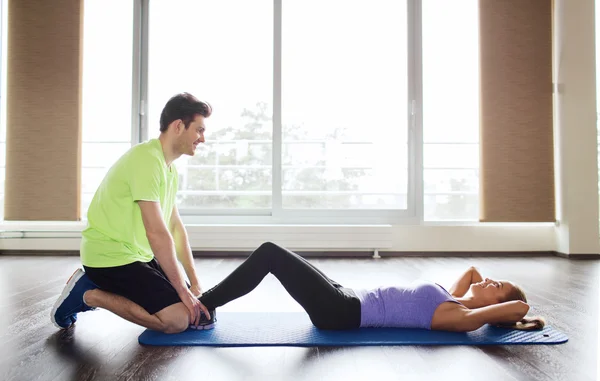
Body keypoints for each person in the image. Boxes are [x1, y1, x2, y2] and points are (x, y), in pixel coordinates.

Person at [51, 92, 214, 334]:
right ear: (179, 126)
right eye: (199, 130)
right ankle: (88, 293)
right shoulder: (146, 160)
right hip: (109, 256)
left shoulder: (168, 170)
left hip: (137, 256)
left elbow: (175, 228)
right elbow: (157, 232)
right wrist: (181, 289)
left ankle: (98, 291)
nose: (202, 138)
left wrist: (195, 285)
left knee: (198, 312)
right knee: (177, 320)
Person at [195, 242, 545, 332]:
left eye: (500, 286)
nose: (491, 281)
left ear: (495, 307)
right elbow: (470, 272)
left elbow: (520, 309)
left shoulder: (460, 316)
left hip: (342, 311)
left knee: (271, 254)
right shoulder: (456, 298)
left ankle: (203, 305)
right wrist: (483, 291)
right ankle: (206, 303)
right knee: (286, 256)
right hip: (347, 295)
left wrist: (497, 315)